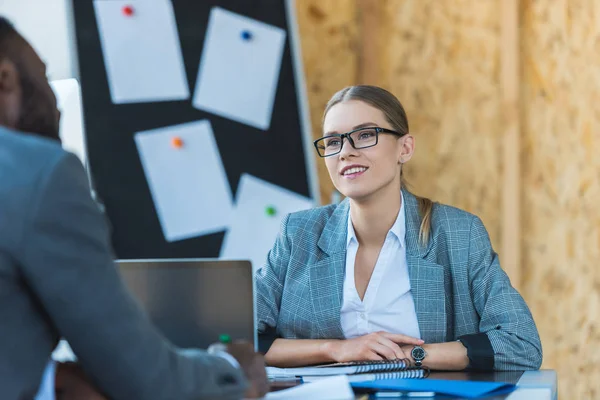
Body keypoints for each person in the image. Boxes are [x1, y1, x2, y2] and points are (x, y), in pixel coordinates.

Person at [0, 16, 268, 400]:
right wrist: (232, 369)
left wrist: (49, 376)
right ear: (5, 77)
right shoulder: (41, 172)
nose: (57, 107)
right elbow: (148, 381)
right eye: (44, 78)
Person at [256, 85, 543, 371]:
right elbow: (236, 340)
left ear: (404, 148)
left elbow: (520, 344)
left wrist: (412, 355)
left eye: (365, 135)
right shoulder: (299, 233)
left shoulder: (458, 234)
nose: (345, 152)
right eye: (333, 142)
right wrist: (337, 349)